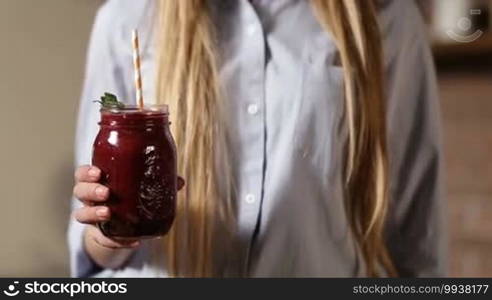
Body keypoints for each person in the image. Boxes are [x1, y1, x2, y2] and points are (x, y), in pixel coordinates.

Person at [69, 0, 446, 277]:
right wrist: (109, 231)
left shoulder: (387, 18)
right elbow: (93, 258)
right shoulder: (127, 18)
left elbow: (416, 239)